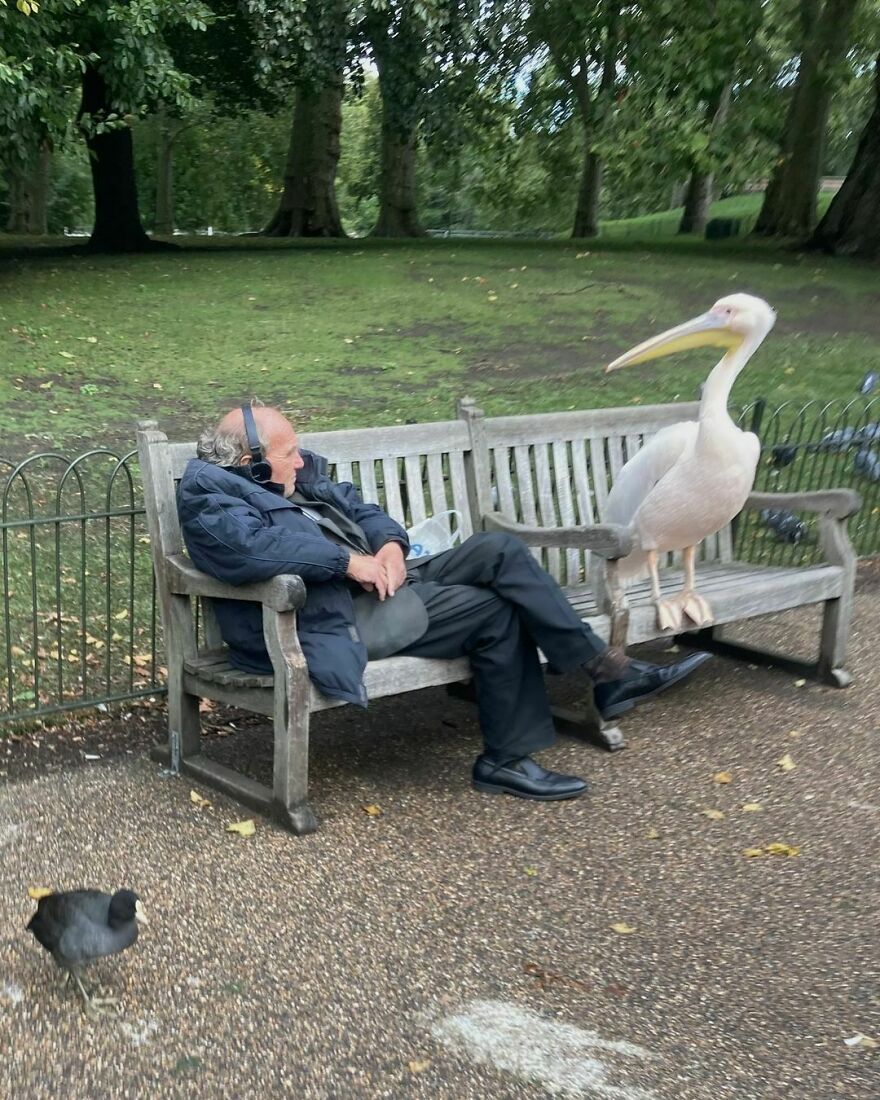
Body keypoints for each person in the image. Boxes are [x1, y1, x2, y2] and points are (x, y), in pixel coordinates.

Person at [177, 405, 711, 802]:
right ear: (250, 464)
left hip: (379, 584)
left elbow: (360, 506)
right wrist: (347, 564)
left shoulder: (296, 474)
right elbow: (252, 548)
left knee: (497, 550)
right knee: (493, 611)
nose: (300, 457)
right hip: (322, 618)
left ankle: (600, 669)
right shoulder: (211, 496)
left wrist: (388, 545)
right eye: (287, 451)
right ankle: (512, 753)